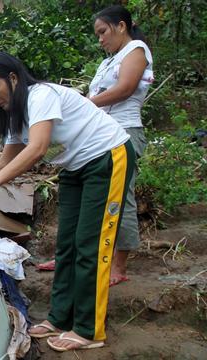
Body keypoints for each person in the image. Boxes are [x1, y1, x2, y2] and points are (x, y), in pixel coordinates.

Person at [0, 52, 135, 351]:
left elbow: (37, 149)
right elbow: (6, 161)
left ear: (13, 78)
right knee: (67, 245)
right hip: (75, 168)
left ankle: (90, 330)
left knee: (91, 244)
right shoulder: (16, 116)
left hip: (107, 157)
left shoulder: (42, 95)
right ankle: (60, 317)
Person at [88, 5, 154, 287]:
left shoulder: (136, 50)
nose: (100, 39)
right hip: (100, 135)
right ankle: (89, 256)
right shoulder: (108, 61)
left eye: (103, 32)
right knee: (95, 197)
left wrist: (86, 104)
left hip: (125, 132)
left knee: (120, 199)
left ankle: (119, 265)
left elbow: (126, 88)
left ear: (121, 26)